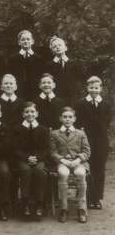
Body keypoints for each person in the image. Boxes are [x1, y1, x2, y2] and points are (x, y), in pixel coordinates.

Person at [75, 76, 112, 210]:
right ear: (87, 88)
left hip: (101, 140)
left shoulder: (105, 104)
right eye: (91, 87)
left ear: (100, 88)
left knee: (99, 168)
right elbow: (79, 121)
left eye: (96, 87)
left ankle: (97, 198)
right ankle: (88, 197)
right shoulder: (81, 103)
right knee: (87, 167)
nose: (94, 90)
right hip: (86, 139)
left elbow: (107, 121)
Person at [51, 107, 90, 223]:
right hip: (63, 162)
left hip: (79, 162)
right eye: (65, 117)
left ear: (74, 119)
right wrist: (62, 160)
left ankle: (81, 208)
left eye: (70, 117)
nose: (67, 119)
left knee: (80, 173)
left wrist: (78, 160)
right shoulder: (55, 133)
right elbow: (52, 151)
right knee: (63, 173)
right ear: (60, 119)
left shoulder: (80, 133)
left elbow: (87, 150)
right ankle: (64, 207)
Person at [13, 102, 50, 220]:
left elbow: (46, 148)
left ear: (37, 114)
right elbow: (15, 148)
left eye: (32, 112)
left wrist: (37, 158)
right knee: (25, 170)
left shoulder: (43, 129)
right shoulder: (17, 129)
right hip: (23, 159)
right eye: (27, 112)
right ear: (23, 114)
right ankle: (26, 204)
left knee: (40, 171)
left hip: (39, 159)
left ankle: (39, 204)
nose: (30, 114)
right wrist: (26, 158)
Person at [7, 30, 44, 99]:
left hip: (35, 92)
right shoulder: (13, 59)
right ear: (19, 42)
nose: (26, 41)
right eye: (23, 39)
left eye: (28, 39)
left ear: (32, 41)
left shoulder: (39, 59)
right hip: (18, 92)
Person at [44, 36, 76, 103]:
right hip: (56, 97)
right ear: (52, 50)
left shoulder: (74, 63)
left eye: (60, 45)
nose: (57, 47)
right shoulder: (49, 66)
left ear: (66, 48)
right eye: (54, 46)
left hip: (73, 97)